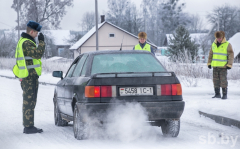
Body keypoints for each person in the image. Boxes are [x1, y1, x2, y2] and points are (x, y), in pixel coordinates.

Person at [13, 20, 45, 134]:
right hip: (29, 77)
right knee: (29, 101)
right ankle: (28, 126)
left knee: (30, 101)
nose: (37, 35)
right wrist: (42, 42)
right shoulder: (27, 42)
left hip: (29, 76)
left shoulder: (25, 41)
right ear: (31, 31)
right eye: (36, 33)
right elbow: (37, 54)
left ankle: (29, 125)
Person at [207, 31, 234, 100]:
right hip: (215, 66)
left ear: (223, 37)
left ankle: (224, 94)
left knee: (223, 80)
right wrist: (209, 63)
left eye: (220, 38)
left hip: (223, 66)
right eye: (218, 38)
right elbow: (210, 54)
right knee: (215, 80)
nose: (219, 39)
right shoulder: (213, 44)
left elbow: (231, 55)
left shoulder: (227, 44)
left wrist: (229, 64)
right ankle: (217, 94)